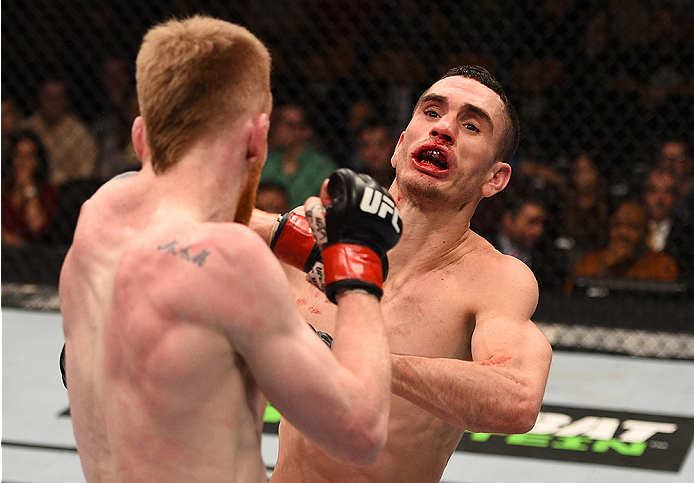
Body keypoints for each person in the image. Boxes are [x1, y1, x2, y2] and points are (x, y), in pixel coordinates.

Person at [58, 16, 401, 483]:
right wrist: (359, 259)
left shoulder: (97, 218)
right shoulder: (231, 261)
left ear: (141, 135)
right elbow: (360, 433)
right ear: (257, 138)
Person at [252, 65, 553, 483]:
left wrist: (361, 359)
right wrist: (271, 228)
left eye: (470, 125)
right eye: (432, 113)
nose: (444, 129)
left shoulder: (497, 280)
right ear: (399, 147)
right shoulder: (316, 229)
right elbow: (186, 226)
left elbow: (517, 399)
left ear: (495, 178)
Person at [571, 199, 679, 284]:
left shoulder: (663, 265)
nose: (622, 233)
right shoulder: (589, 261)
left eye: (632, 227)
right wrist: (606, 266)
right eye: (616, 225)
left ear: (645, 232)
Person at [21, 77, 98, 187]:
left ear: (67, 100)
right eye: (48, 97)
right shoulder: (26, 128)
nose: (53, 102)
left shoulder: (80, 133)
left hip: (67, 194)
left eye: (59, 97)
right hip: (30, 188)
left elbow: (85, 174)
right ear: (39, 98)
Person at [259, 102, 337, 207]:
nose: (279, 129)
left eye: (288, 124)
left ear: (305, 131)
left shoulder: (322, 166)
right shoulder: (265, 161)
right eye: (278, 122)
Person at [490, 191, 566, 292]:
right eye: (532, 222)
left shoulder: (548, 256)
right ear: (508, 220)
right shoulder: (483, 246)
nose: (538, 230)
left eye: (542, 223)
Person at [1, 129, 59, 246]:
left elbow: (36, 226)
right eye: (18, 155)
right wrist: (4, 237)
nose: (23, 162)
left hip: (33, 254)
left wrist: (29, 187)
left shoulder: (47, 192)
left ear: (37, 161)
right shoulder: (3, 188)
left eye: (29, 156)